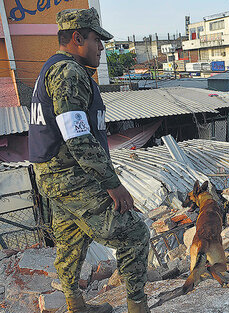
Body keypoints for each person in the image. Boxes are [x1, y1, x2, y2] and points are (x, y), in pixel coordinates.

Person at [28, 8, 150, 313]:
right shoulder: (68, 73)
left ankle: (76, 305)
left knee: (71, 241)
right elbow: (78, 139)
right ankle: (138, 308)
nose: (101, 47)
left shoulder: (52, 70)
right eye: (97, 39)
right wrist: (113, 184)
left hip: (55, 177)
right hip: (72, 177)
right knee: (135, 232)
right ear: (77, 37)